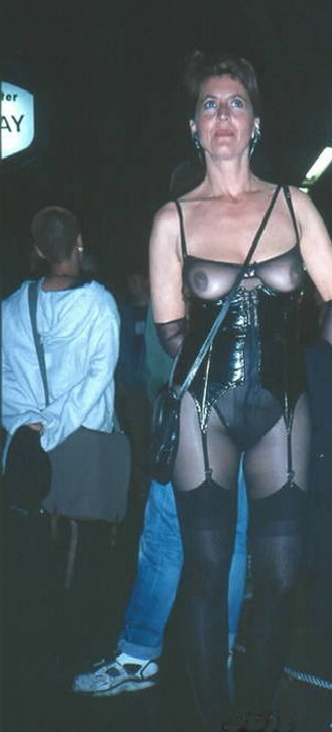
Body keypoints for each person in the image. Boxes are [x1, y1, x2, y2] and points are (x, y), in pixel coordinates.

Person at [147, 49, 332, 730]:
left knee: (283, 573)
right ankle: (215, 718)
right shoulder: (173, 219)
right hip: (202, 413)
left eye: (236, 103)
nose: (223, 115)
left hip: (283, 411)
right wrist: (206, 389)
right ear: (193, 127)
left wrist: (310, 369)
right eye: (209, 104)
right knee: (207, 571)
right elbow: (171, 330)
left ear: (255, 122)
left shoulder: (293, 204)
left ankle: (257, 710)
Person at [72, 303, 249, 700]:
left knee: (164, 538)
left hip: (198, 404)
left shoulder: (187, 264)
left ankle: (138, 655)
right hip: (255, 407)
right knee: (234, 536)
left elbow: (163, 352)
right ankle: (219, 650)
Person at [1, 206, 120, 718]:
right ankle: (72, 652)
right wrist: (59, 424)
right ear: (79, 241)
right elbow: (100, 374)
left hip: (29, 442)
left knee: (41, 543)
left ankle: (37, 649)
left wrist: (29, 423)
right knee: (82, 547)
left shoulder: (11, 307)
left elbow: (5, 375)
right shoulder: (99, 303)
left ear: (36, 249)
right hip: (84, 439)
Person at [115, 268, 151, 500]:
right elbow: (117, 350)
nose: (131, 285)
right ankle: (140, 487)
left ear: (146, 281)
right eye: (129, 281)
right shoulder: (124, 314)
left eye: (135, 280)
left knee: (157, 436)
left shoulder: (158, 312)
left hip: (157, 385)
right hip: (132, 388)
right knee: (137, 439)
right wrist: (120, 382)